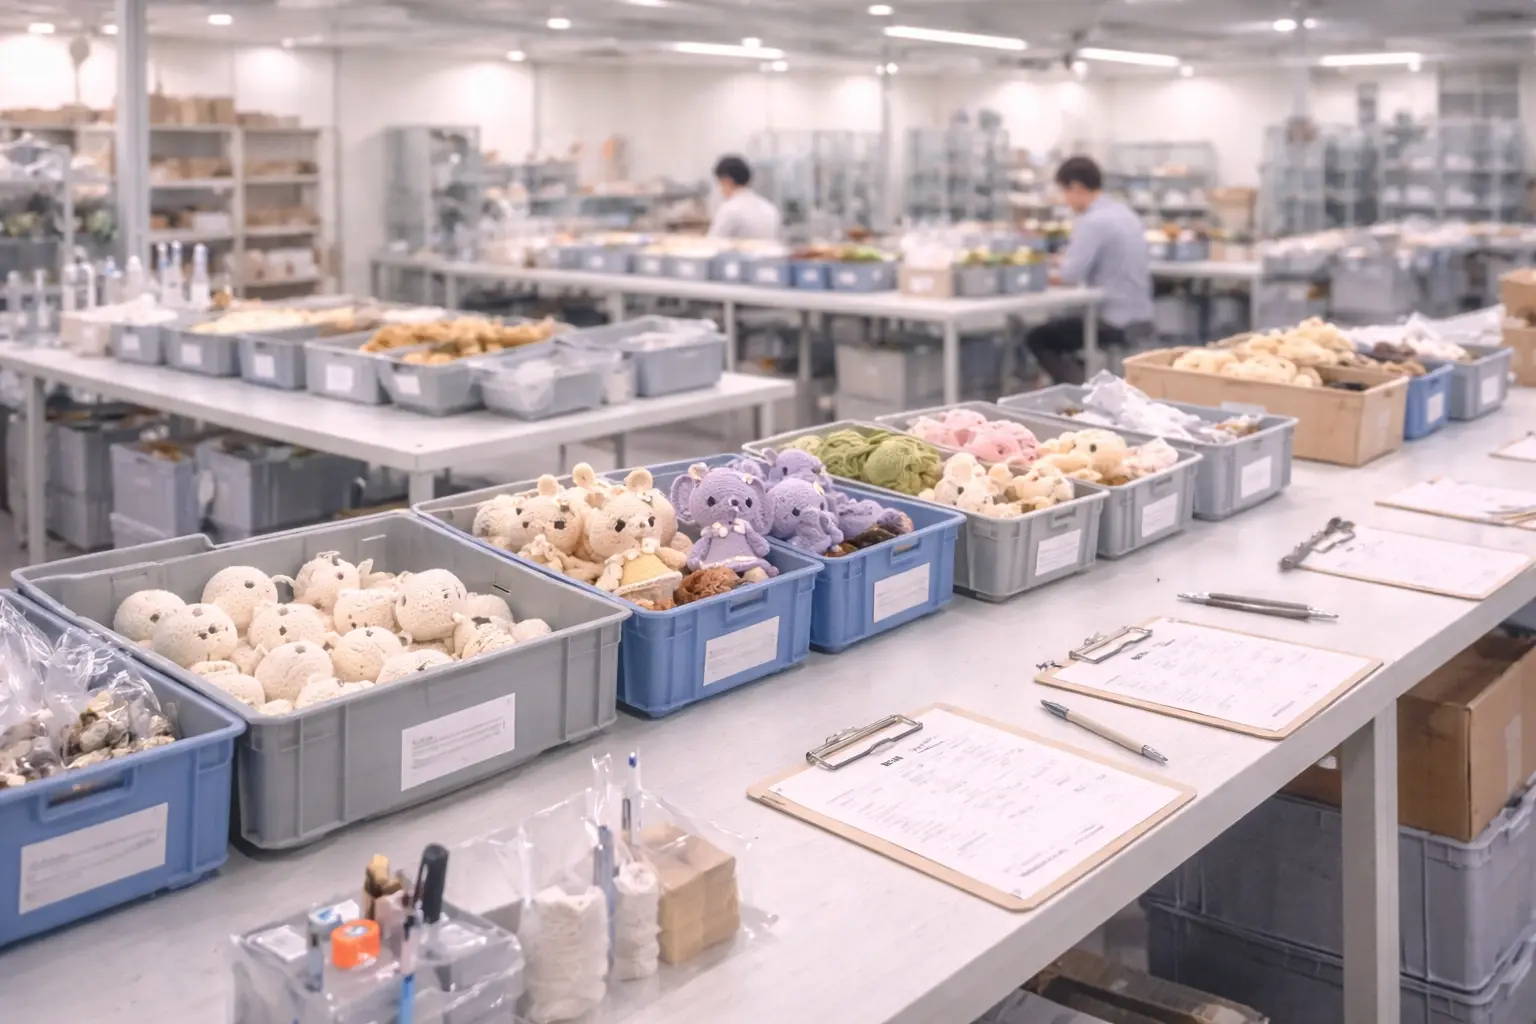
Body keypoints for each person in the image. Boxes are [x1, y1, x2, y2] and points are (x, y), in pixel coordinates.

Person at [1025, 155, 1153, 385]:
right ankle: (1080, 380)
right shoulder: (1125, 214)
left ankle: (1079, 392)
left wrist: (1041, 269)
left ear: (1076, 187)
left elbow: (1069, 275)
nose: (1066, 201)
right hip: (1141, 314)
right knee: (1063, 325)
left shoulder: (1093, 221)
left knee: (1039, 337)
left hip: (1113, 318)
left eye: (1064, 192)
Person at [707, 155, 782, 241]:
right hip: (768, 254)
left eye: (720, 184)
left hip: (738, 254)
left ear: (727, 181)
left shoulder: (730, 209)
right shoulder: (769, 207)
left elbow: (713, 243)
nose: (720, 190)